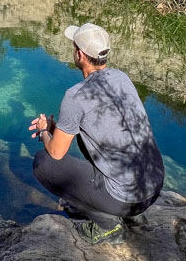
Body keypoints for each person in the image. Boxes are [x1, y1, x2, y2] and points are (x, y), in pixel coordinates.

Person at [28, 22, 165, 245]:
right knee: (84, 144)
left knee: (42, 163)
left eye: (74, 47)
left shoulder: (75, 96)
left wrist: (44, 130)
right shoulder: (121, 78)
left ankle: (108, 225)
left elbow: (56, 152)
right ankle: (121, 212)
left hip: (126, 199)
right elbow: (104, 128)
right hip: (153, 188)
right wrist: (57, 127)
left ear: (80, 54)